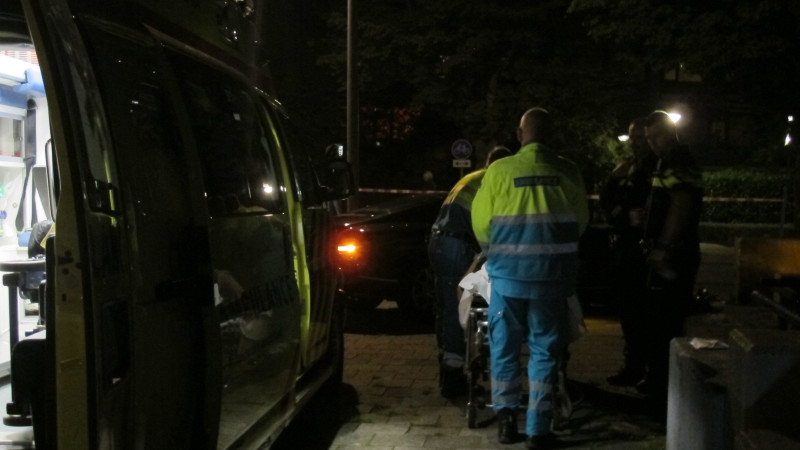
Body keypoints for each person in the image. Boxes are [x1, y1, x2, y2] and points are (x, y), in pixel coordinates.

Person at [472, 108, 589, 449]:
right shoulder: (568, 171)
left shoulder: (499, 171)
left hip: (507, 279)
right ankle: (538, 430)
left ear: (520, 134)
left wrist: (499, 254)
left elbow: (481, 224)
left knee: (504, 349)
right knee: (545, 351)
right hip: (551, 280)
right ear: (550, 135)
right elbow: (580, 222)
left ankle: (507, 423)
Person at [428, 145, 512, 397]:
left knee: (444, 305)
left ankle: (446, 364)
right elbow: (493, 226)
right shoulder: (493, 181)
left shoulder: (472, 177)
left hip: (438, 241)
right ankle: (453, 375)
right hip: (455, 244)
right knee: (458, 306)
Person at [638, 110, 703, 398]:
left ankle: (664, 386)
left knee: (666, 320)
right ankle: (660, 381)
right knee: (660, 318)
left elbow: (681, 203)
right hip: (669, 251)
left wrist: (664, 246)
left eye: (657, 136)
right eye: (648, 138)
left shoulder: (677, 161)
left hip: (675, 255)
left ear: (671, 132)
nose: (652, 143)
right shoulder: (666, 160)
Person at [600, 118, 658, 387]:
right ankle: (633, 366)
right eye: (632, 137)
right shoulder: (626, 168)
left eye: (640, 138)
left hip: (647, 249)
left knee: (648, 313)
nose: (635, 143)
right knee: (629, 311)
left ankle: (652, 371)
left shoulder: (657, 168)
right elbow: (607, 200)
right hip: (626, 246)